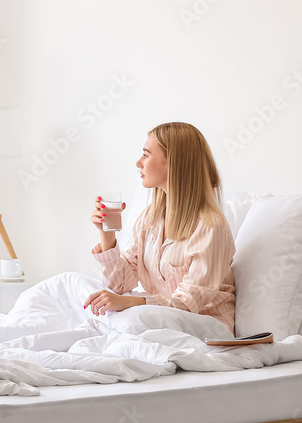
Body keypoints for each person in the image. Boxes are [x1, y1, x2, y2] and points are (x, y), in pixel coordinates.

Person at [85, 121, 236, 333]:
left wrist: (131, 302)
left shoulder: (210, 227)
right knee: (74, 286)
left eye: (146, 155)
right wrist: (106, 234)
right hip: (161, 323)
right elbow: (117, 286)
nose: (138, 162)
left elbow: (186, 305)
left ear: (173, 163)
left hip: (205, 330)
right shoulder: (150, 220)